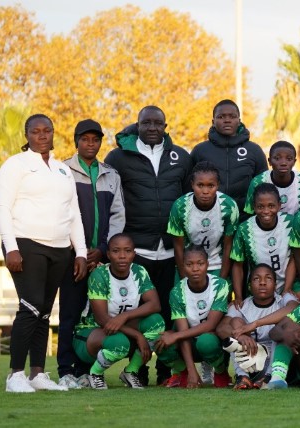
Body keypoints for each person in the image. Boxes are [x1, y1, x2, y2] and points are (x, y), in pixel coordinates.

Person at [0, 114, 88, 393]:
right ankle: (15, 376)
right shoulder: (16, 165)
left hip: (60, 247)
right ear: (27, 135)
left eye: (47, 130)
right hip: (26, 243)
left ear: (53, 133)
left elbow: (73, 213)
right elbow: (2, 207)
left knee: (45, 312)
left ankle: (37, 373)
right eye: (35, 131)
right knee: (31, 306)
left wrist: (81, 251)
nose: (42, 135)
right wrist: (10, 247)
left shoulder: (62, 170)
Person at [105, 105, 192, 385]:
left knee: (168, 313)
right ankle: (138, 370)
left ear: (166, 127)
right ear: (138, 125)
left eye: (158, 123)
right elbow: (110, 201)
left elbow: (189, 198)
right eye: (147, 123)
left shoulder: (180, 156)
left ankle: (167, 371)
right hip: (136, 250)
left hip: (170, 250)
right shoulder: (118, 157)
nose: (152, 128)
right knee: (136, 314)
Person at [58, 119, 125, 389]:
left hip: (100, 258)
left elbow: (118, 215)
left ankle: (85, 369)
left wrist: (105, 249)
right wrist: (80, 251)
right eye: (85, 139)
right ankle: (65, 370)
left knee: (93, 315)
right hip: (73, 257)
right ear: (76, 141)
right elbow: (60, 213)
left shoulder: (111, 174)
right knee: (70, 314)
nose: (90, 144)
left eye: (95, 139)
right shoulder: (62, 171)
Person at [72, 234, 164, 389]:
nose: (122, 256)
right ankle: (95, 374)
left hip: (121, 327)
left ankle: (131, 371)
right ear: (108, 254)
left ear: (134, 254)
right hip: (90, 332)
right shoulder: (99, 275)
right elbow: (102, 319)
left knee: (156, 322)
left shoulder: (139, 272)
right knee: (120, 342)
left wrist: (125, 316)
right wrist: (137, 335)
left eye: (127, 251)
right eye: (116, 251)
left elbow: (155, 304)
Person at [155, 245, 232, 388]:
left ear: (207, 264)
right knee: (159, 342)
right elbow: (183, 332)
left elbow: (211, 325)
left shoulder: (221, 285)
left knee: (206, 341)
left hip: (212, 342)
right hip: (189, 343)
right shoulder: (177, 292)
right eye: (189, 264)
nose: (195, 268)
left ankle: (221, 371)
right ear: (182, 267)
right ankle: (183, 372)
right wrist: (191, 370)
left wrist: (175, 336)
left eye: (200, 264)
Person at [217, 263, 298, 390]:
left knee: (281, 329)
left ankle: (269, 377)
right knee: (236, 324)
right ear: (249, 286)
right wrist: (241, 335)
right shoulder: (242, 305)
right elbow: (221, 329)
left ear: (276, 285)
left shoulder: (282, 299)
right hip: (251, 358)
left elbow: (294, 307)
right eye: (256, 279)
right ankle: (242, 377)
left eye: (268, 278)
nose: (262, 283)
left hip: (276, 360)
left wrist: (256, 323)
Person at [190, 99, 268, 215]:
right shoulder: (200, 150)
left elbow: (264, 186)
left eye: (232, 116)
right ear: (213, 121)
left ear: (239, 121)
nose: (227, 120)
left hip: (245, 218)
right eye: (221, 117)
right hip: (210, 218)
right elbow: (189, 186)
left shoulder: (254, 150)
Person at [168, 161, 239, 281]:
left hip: (217, 265)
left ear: (218, 185)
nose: (205, 191)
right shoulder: (180, 207)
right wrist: (184, 278)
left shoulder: (229, 206)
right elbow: (178, 247)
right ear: (192, 184)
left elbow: (228, 246)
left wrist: (222, 280)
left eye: (211, 186)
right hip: (189, 267)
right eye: (200, 185)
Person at [230, 183, 296, 306]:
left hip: (288, 285)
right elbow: (237, 265)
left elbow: (294, 257)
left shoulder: (290, 223)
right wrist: (238, 297)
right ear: (254, 207)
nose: (266, 211)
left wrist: (287, 288)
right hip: (259, 291)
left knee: (293, 309)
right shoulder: (244, 229)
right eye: (260, 206)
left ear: (279, 205)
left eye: (271, 206)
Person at [244, 141, 300, 216]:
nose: (283, 163)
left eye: (289, 159)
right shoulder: (257, 182)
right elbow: (249, 214)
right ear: (269, 161)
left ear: (294, 162)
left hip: (295, 226)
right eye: (277, 158)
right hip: (264, 226)